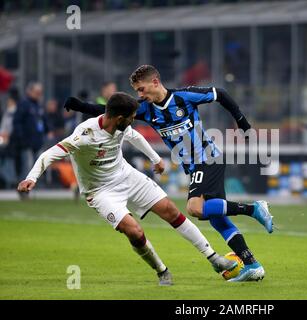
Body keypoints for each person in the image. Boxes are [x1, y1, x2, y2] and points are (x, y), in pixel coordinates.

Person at [63, 65, 273, 282]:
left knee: (195, 208)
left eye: (142, 89)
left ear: (155, 82)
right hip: (194, 167)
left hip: (208, 159)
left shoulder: (184, 97)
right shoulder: (145, 109)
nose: (140, 95)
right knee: (217, 220)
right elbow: (110, 111)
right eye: (137, 91)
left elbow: (221, 94)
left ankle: (254, 209)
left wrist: (242, 122)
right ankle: (252, 265)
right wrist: (80, 106)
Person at [18, 92, 236, 286]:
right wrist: (31, 178)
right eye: (131, 117)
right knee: (134, 231)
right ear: (120, 118)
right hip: (99, 191)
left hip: (126, 176)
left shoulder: (122, 126)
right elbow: (49, 155)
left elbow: (135, 136)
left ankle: (213, 258)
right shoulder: (85, 135)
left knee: (170, 210)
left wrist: (155, 159)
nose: (134, 119)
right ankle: (162, 271)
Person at [10, 82, 46, 183]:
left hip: (38, 142)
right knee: (27, 166)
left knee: (38, 167)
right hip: (27, 142)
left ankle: (35, 187)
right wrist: (22, 137)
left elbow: (43, 121)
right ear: (29, 92)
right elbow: (17, 122)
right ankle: (23, 188)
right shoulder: (24, 104)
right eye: (37, 92)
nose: (39, 94)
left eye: (40, 92)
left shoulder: (38, 105)